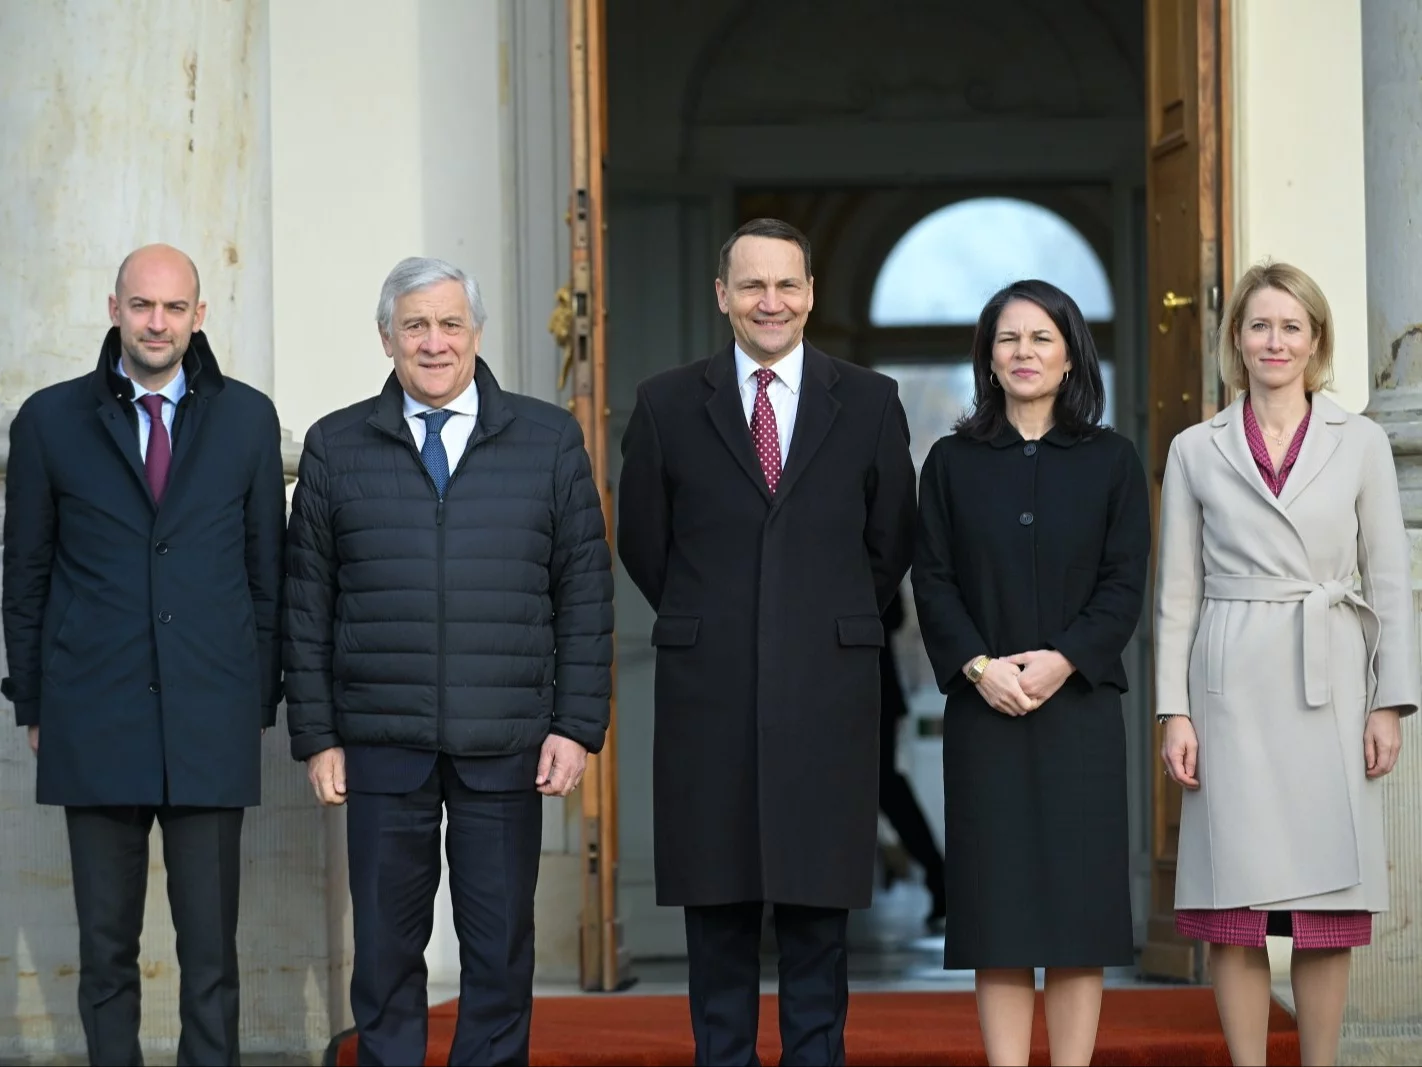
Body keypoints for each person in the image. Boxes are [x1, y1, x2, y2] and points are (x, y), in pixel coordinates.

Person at [284, 257, 613, 1066]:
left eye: (450, 324)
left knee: (499, 949)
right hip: (381, 740)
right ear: (387, 337)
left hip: (505, 739)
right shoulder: (334, 443)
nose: (434, 343)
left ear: (477, 332)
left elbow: (585, 592)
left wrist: (575, 726)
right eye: (416, 326)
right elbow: (304, 603)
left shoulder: (547, 438)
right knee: (388, 954)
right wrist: (318, 736)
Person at [617, 217, 917, 1067]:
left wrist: (819, 614)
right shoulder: (668, 402)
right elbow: (645, 539)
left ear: (812, 294)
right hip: (707, 687)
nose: (770, 301)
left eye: (787, 284)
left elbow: (890, 537)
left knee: (818, 906)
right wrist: (716, 615)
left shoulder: (869, 400)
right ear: (723, 297)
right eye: (752, 285)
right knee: (717, 904)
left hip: (829, 683)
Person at [1, 244, 286, 1066]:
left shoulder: (248, 419)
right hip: (93, 717)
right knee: (105, 955)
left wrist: (256, 701)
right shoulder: (50, 420)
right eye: (141, 305)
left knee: (210, 959)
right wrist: (34, 701)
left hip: (210, 716)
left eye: (173, 307)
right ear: (115, 308)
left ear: (200, 315)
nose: (156, 322)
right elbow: (24, 574)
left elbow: (267, 573)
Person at [1154, 261, 1417, 1067]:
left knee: (1327, 905)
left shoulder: (1362, 440)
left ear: (1316, 340)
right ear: (1236, 338)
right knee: (1232, 903)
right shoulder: (1196, 448)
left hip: (1332, 679)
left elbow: (1389, 582)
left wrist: (1389, 701)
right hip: (1229, 686)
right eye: (1260, 325)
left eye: (1291, 326)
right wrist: (1175, 709)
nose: (1275, 340)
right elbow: (1177, 592)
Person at [911, 279, 1149, 1067]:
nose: (1023, 352)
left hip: (1079, 712)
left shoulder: (1113, 460)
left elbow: (1124, 581)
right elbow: (932, 579)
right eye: (1008, 338)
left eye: (1041, 337)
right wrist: (979, 667)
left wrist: (1065, 658)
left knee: (1080, 915)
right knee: (998, 914)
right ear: (987, 354)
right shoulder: (950, 461)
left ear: (1071, 351)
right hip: (985, 714)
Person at [877, 591, 947, 931]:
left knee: (885, 787)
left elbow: (894, 615)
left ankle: (939, 877)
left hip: (872, 688)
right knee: (886, 788)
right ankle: (939, 877)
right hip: (865, 689)